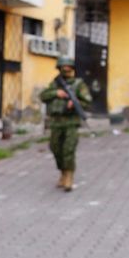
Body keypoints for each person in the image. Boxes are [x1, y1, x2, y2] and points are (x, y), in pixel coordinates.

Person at [39, 56, 91, 192]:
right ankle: (62, 172)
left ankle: (69, 176)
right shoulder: (55, 84)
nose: (66, 70)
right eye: (63, 68)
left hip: (71, 122)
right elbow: (43, 96)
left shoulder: (79, 84)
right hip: (56, 122)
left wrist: (75, 103)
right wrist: (56, 93)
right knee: (55, 148)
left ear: (72, 69)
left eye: (68, 68)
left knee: (68, 149)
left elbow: (87, 102)